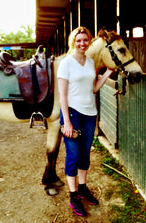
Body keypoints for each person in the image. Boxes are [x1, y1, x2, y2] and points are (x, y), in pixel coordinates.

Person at [57, 26, 113, 217]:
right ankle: (73, 196)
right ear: (73, 41)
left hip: (90, 115)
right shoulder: (66, 63)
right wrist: (67, 123)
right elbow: (62, 96)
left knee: (84, 154)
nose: (82, 43)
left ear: (89, 41)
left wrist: (107, 73)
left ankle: (82, 188)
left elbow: (94, 89)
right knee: (73, 155)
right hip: (72, 114)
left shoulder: (90, 62)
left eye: (85, 40)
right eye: (78, 40)